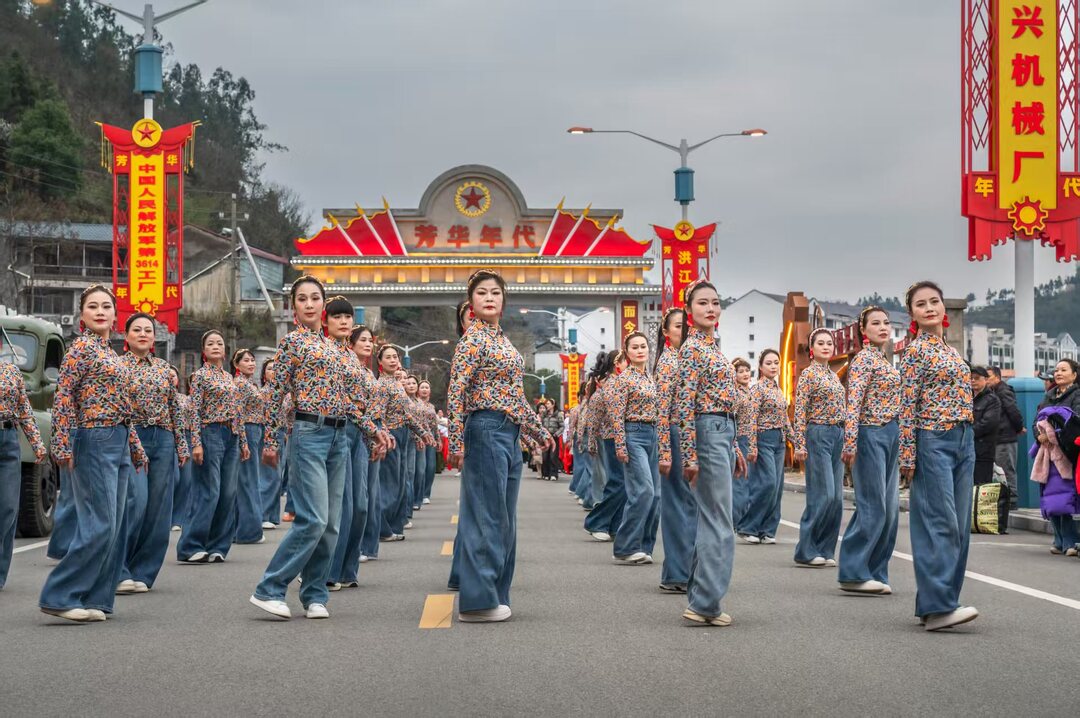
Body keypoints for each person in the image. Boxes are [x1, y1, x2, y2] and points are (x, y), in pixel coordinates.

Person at [250, 276, 388, 620]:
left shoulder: (337, 350)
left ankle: (314, 594)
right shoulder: (292, 344)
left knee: (331, 524)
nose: (309, 304)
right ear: (294, 307)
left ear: (322, 306)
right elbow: (275, 394)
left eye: (315, 298)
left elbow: (349, 402)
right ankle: (270, 588)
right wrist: (270, 440)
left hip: (339, 438)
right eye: (302, 299)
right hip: (308, 433)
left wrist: (374, 432)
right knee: (312, 519)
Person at [447, 269, 552, 622]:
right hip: (485, 427)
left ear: (503, 301)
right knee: (487, 516)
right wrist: (457, 443)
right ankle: (477, 601)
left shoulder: (502, 341)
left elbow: (515, 396)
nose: (489, 297)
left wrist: (537, 431)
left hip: (508, 431)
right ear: (471, 303)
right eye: (481, 293)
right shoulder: (473, 340)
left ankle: (496, 594)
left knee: (505, 519)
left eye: (495, 292)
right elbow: (456, 391)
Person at [39, 285, 147, 623]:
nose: (100, 311)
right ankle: (59, 595)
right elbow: (64, 397)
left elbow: (123, 407)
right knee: (99, 523)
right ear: (82, 315)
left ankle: (96, 597)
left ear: (115, 315)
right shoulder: (80, 349)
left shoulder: (111, 353)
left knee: (115, 526)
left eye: (106, 306)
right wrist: (61, 443)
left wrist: (135, 447)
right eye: (92, 306)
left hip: (118, 439)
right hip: (94, 437)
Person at [900, 280, 979, 631]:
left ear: (944, 309)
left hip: (965, 439)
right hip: (933, 438)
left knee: (960, 526)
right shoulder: (915, 351)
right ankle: (938, 606)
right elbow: (906, 405)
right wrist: (907, 454)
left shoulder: (951, 349)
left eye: (935, 301)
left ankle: (936, 603)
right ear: (912, 314)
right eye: (921, 304)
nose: (930, 307)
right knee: (940, 521)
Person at [676, 279, 747, 627]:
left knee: (712, 518)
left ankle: (700, 597)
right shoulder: (692, 349)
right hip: (707, 432)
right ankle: (705, 603)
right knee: (719, 521)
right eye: (703, 303)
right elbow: (684, 403)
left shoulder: (712, 346)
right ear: (689, 310)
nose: (711, 308)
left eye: (716, 303)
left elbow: (722, 400)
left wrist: (734, 445)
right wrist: (690, 455)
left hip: (721, 431)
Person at [117, 313, 189, 595]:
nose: (144, 334)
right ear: (126, 336)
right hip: (131, 437)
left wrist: (180, 445)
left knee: (159, 510)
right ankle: (119, 568)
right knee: (134, 502)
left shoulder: (163, 369)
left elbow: (175, 410)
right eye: (137, 329)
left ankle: (143, 572)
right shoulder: (117, 367)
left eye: (149, 329)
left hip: (163, 438)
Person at [837, 306, 901, 595]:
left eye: (886, 322)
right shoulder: (863, 360)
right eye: (876, 323)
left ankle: (876, 571)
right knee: (872, 506)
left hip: (891, 433)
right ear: (863, 330)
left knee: (889, 510)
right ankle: (853, 571)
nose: (883, 327)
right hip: (870, 433)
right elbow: (854, 402)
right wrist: (850, 441)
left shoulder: (886, 362)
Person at [325, 299, 388, 590]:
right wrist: (374, 430)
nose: (368, 344)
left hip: (362, 436)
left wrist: (378, 432)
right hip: (343, 430)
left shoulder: (363, 370)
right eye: (363, 339)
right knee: (345, 506)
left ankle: (348, 569)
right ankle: (330, 570)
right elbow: (347, 404)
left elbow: (372, 407)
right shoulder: (335, 357)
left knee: (361, 505)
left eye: (370, 340)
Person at [177, 330, 249, 564]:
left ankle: (218, 545)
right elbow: (194, 411)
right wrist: (195, 443)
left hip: (232, 436)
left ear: (225, 350)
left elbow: (238, 412)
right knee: (209, 492)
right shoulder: (199, 376)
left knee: (228, 494)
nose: (216, 346)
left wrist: (243, 441)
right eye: (210, 343)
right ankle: (191, 545)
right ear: (204, 351)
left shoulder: (230, 378)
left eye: (219, 343)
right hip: (210, 434)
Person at [792, 328, 846, 568]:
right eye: (821, 343)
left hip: (838, 434)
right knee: (823, 495)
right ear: (812, 349)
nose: (826, 346)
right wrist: (799, 444)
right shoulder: (808, 375)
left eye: (829, 343)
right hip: (818, 434)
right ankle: (806, 550)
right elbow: (800, 410)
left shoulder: (834, 376)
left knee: (837, 498)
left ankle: (825, 549)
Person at [0, 332, 46, 590]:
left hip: (8, 440)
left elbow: (24, 410)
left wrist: (38, 445)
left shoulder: (11, 371)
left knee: (7, 508)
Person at [610, 331, 661, 564]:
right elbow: (616, 414)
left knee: (657, 495)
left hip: (654, 435)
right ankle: (625, 546)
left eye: (643, 346)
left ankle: (644, 546)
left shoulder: (651, 378)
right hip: (633, 435)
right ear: (627, 352)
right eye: (635, 347)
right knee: (644, 491)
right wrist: (620, 444)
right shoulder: (624, 379)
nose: (640, 350)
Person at [657, 307, 696, 594]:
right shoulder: (669, 362)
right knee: (676, 506)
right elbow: (661, 410)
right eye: (678, 326)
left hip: (691, 433)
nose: (684, 331)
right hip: (674, 432)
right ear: (666, 332)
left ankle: (687, 570)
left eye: (687, 326)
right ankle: (676, 573)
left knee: (691, 505)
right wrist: (664, 451)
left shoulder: (691, 358)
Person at [375, 347, 430, 543]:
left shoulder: (397, 384)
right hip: (391, 436)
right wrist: (383, 435)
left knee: (399, 483)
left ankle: (393, 525)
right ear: (380, 362)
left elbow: (406, 414)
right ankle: (382, 528)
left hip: (404, 434)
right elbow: (378, 414)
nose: (392, 360)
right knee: (389, 484)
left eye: (394, 357)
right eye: (387, 357)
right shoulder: (382, 385)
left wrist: (422, 432)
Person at [740, 349, 793, 544]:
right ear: (761, 367)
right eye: (768, 363)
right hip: (763, 439)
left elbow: (785, 419)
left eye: (776, 362)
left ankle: (767, 530)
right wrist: (752, 447)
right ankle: (748, 527)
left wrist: (797, 442)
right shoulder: (758, 389)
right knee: (768, 483)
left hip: (779, 441)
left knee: (777, 487)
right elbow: (751, 419)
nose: (773, 366)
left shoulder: (778, 391)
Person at [1035, 358, 1080, 555]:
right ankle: (1059, 540)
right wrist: (1040, 436)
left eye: (1063, 370)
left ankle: (1070, 541)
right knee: (1050, 494)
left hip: (1067, 451)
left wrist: (1053, 434)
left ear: (1074, 375)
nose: (1058, 373)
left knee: (1065, 496)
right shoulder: (1049, 396)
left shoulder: (1077, 395)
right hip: (1047, 453)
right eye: (1056, 370)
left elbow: (1075, 422)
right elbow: (1036, 420)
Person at [584, 351, 625, 542]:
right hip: (611, 438)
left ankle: (615, 526)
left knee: (625, 485)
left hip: (629, 438)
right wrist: (591, 442)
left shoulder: (628, 381)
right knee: (618, 483)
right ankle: (596, 521)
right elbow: (593, 416)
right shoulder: (608, 385)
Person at [232, 348, 267, 545]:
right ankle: (248, 531)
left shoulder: (249, 384)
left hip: (255, 430)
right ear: (236, 365)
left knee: (249, 479)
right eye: (246, 360)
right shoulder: (239, 385)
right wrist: (243, 440)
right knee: (247, 481)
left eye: (253, 360)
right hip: (247, 430)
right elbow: (238, 414)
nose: (251, 363)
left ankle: (243, 529)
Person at [988, 366, 1024, 508]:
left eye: (988, 377)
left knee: (1007, 469)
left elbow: (1013, 411)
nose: (986, 380)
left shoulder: (1003, 391)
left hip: (1005, 438)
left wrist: (1019, 428)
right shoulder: (993, 392)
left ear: (997, 377)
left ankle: (1012, 500)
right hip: (999, 438)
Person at [257, 360, 288, 530]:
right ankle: (262, 515)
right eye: (269, 369)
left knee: (278, 476)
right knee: (269, 475)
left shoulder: (281, 392)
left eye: (276, 369)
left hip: (282, 433)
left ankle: (272, 515)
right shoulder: (263, 393)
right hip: (267, 433)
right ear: (264, 374)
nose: (273, 371)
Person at [172, 371, 196, 531]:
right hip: (167, 437)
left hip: (186, 437)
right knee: (173, 478)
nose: (171, 377)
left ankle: (177, 519)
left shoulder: (185, 399)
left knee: (185, 480)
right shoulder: (158, 398)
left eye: (173, 375)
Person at [731, 357, 753, 533]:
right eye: (741, 371)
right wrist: (735, 444)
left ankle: (743, 520)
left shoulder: (750, 392)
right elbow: (732, 419)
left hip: (752, 441)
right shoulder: (736, 395)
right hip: (741, 440)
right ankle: (737, 521)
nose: (745, 374)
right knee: (739, 484)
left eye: (747, 370)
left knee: (747, 483)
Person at [971, 366, 1002, 487]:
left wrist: (967, 433)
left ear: (985, 380)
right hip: (967, 450)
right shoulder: (967, 399)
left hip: (983, 452)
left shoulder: (992, 400)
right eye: (971, 378)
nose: (973, 381)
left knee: (981, 487)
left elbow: (988, 423)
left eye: (977, 378)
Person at [417, 380, 439, 505]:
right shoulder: (415, 403)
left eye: (427, 387)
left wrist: (438, 440)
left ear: (430, 391)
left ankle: (426, 493)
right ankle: (419, 493)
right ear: (418, 390)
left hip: (431, 439)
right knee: (421, 467)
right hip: (419, 437)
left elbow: (435, 425)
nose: (424, 389)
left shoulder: (431, 407)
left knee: (430, 466)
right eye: (422, 387)